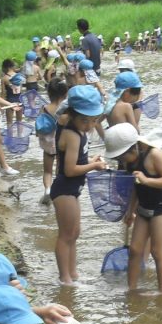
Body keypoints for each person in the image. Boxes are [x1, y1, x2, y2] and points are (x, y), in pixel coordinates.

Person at [108, 124, 162, 294]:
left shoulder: (154, 155)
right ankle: (132, 290)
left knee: (157, 252)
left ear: (132, 148)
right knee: (135, 250)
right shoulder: (129, 163)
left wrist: (146, 180)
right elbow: (135, 188)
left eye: (121, 156)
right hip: (143, 209)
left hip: (161, 209)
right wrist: (130, 211)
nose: (120, 161)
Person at [51, 85, 108, 285]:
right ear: (72, 114)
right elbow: (69, 170)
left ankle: (73, 273)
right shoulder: (72, 134)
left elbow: (77, 160)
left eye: (93, 120)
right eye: (84, 120)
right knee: (66, 234)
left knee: (74, 233)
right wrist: (94, 165)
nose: (89, 125)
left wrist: (91, 159)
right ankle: (64, 277)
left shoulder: (80, 132)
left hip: (73, 189)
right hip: (64, 189)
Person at [37, 78, 69, 206]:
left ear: (49, 93)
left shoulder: (44, 108)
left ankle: (47, 190)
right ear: (65, 94)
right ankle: (58, 191)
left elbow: (38, 125)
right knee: (59, 169)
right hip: (62, 142)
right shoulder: (66, 109)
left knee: (47, 171)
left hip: (48, 143)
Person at [0, 59, 22, 128]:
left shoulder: (4, 78)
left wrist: (2, 105)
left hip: (9, 101)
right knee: (19, 122)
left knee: (9, 123)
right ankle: (20, 136)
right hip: (19, 100)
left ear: (6, 67)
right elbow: (20, 90)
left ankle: (10, 137)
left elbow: (3, 93)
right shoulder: (19, 77)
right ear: (12, 66)